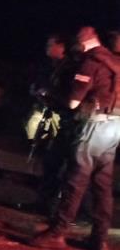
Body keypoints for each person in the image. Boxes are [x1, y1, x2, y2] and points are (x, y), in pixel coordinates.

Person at [30, 27, 120, 250]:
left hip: (94, 125)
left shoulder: (91, 63)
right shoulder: (115, 63)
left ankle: (57, 232)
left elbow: (72, 102)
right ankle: (99, 239)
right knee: (103, 183)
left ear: (82, 42)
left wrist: (49, 94)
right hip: (115, 125)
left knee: (76, 178)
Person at [29, 34, 77, 214]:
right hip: (53, 117)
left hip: (66, 121)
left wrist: (49, 94)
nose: (47, 48)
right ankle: (44, 203)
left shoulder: (69, 68)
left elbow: (68, 97)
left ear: (62, 47)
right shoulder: (51, 67)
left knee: (60, 163)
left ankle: (58, 208)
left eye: (51, 45)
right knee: (50, 162)